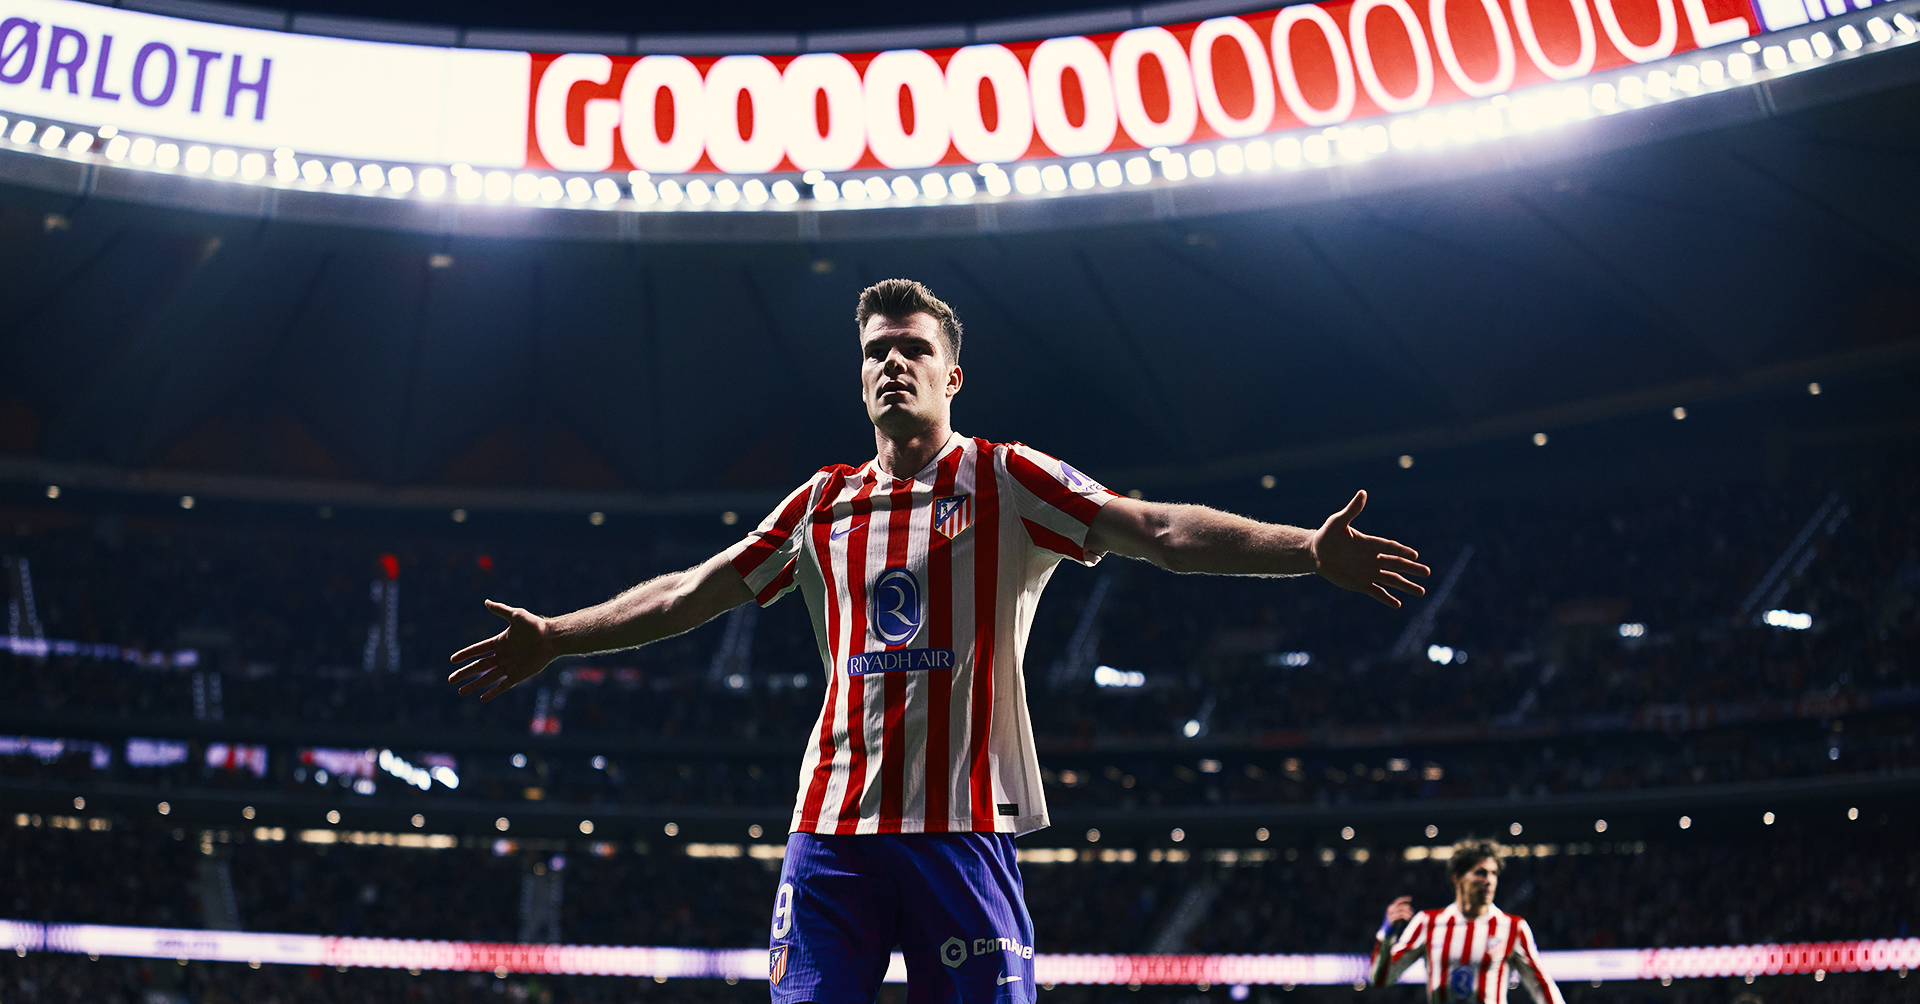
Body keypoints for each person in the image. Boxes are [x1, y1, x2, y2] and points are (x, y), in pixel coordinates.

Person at [451, 278, 1431, 1004]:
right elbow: (690, 591)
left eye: (912, 349)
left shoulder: (1007, 479)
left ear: (951, 375)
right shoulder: (821, 504)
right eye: (876, 351)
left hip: (960, 830)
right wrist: (559, 636)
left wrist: (1307, 551)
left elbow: (1160, 530)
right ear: (860, 379)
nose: (892, 363)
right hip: (830, 836)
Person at [1370, 840, 1565, 1003]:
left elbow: (1541, 985)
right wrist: (1387, 933)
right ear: (1457, 878)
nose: (1489, 880)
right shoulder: (1427, 922)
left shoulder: (1513, 927)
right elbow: (1380, 979)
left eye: (1494, 873)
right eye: (1481, 873)